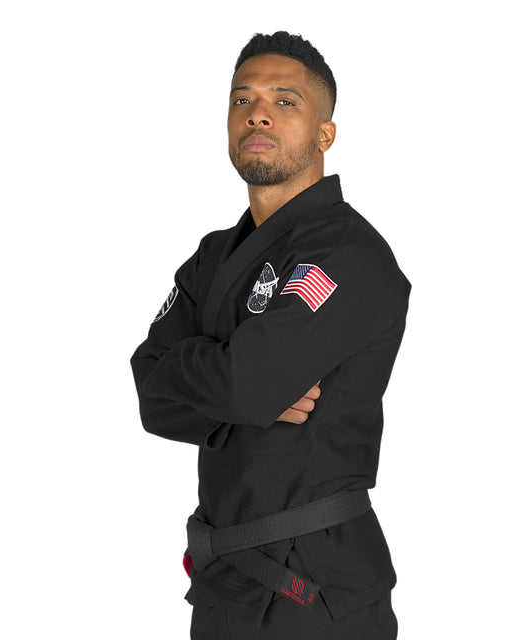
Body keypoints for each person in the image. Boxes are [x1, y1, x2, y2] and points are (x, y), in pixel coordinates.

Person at [130, 30, 412, 639]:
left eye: (285, 101)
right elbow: (151, 392)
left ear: (325, 133)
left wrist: (225, 382)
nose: (257, 113)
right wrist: (240, 389)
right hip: (223, 584)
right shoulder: (212, 257)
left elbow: (247, 384)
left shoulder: (349, 254)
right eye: (243, 99)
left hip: (317, 589)